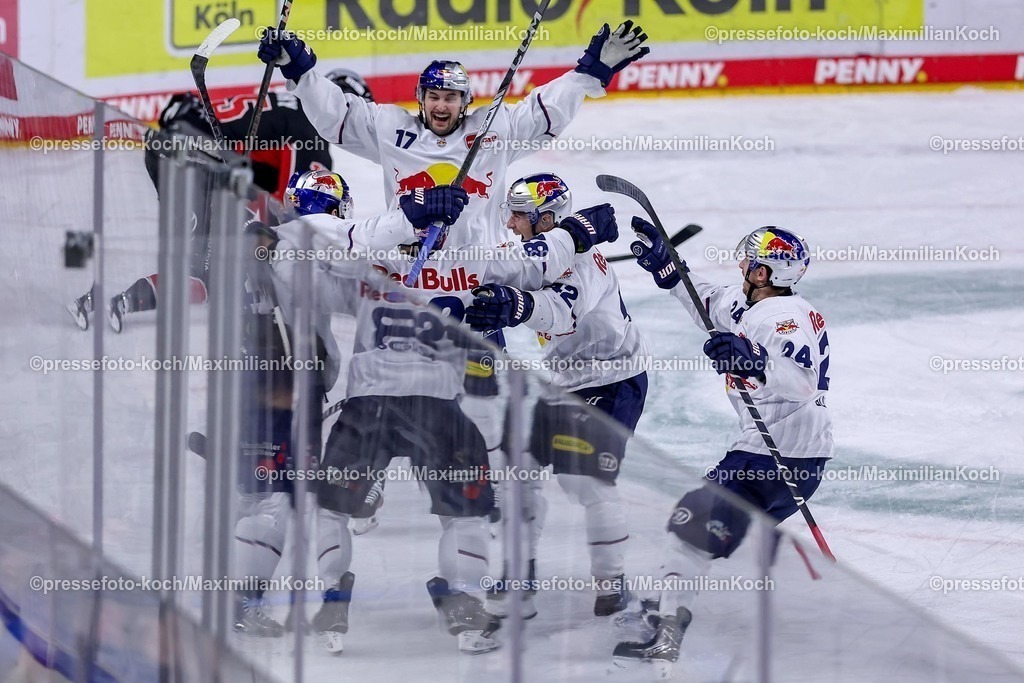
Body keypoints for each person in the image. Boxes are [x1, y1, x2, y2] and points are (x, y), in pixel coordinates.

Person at [263, 170, 621, 654]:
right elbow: (532, 268)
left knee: (332, 507)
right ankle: (464, 604)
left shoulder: (367, 260)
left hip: (370, 404)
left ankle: (332, 597)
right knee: (467, 515)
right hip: (438, 407)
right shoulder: (472, 266)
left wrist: (274, 240)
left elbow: (300, 271)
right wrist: (574, 235)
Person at [230, 168, 463, 638]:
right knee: (283, 499)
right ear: (332, 209)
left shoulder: (261, 241)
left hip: (247, 379)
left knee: (259, 495)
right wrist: (413, 213)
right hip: (291, 385)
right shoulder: (314, 234)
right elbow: (360, 239)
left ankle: (240, 592)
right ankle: (242, 599)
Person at [612, 223, 833, 671]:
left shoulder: (783, 318)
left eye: (751, 259)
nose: (743, 264)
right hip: (793, 456)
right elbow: (711, 303)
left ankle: (666, 636)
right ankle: (672, 603)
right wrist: (671, 271)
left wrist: (755, 363)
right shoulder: (753, 302)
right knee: (701, 534)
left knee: (689, 528)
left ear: (767, 271)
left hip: (774, 456)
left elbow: (802, 381)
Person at [256, 22, 649, 250]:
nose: (441, 106)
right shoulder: (391, 128)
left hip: (480, 274)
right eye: (433, 97)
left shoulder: (492, 129)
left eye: (450, 98)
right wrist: (301, 72)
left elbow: (544, 111)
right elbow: (336, 113)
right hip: (412, 270)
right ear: (420, 98)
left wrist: (587, 74)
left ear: (465, 102)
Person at [463, 173, 649, 618]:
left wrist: (517, 304)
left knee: (586, 481)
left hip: (612, 381)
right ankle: (518, 575)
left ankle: (613, 586)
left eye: (519, 216)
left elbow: (560, 315)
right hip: (566, 383)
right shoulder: (543, 250)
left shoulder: (583, 265)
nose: (509, 224)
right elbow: (503, 269)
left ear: (546, 219)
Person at [66, 69, 373, 333]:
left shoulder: (288, 105)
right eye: (357, 115)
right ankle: (117, 299)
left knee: (198, 261)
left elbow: (258, 175)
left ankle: (104, 297)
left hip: (173, 146)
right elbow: (296, 212)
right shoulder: (314, 140)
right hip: (194, 166)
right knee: (208, 274)